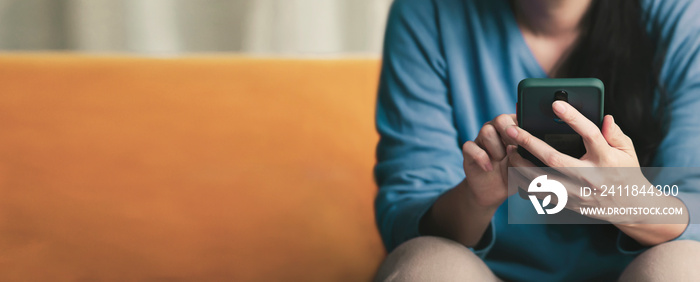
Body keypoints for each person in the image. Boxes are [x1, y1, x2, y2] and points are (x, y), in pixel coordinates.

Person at [373, 0, 700, 280]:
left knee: (684, 268)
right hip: (483, 270)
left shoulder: (682, 18)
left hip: (635, 270)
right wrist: (475, 199)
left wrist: (630, 200)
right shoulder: (428, 12)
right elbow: (407, 208)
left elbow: (695, 199)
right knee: (429, 267)